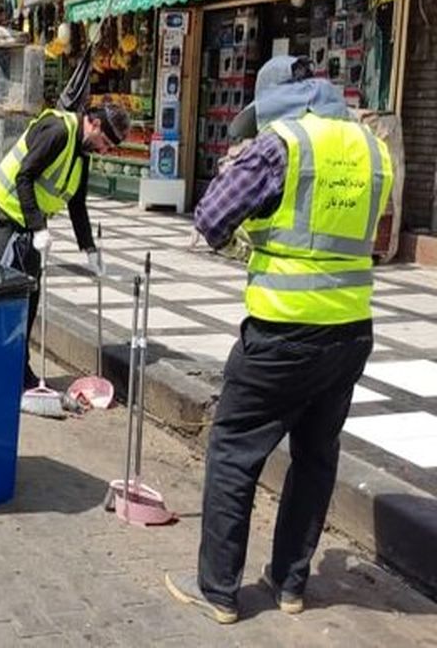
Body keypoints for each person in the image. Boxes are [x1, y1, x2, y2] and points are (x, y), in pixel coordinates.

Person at [164, 57, 393, 624]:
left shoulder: (280, 145)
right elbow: (379, 237)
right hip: (350, 332)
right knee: (316, 458)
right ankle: (290, 584)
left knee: (235, 451)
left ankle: (219, 590)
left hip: (281, 332)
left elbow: (211, 220)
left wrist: (245, 215)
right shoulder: (372, 149)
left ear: (278, 104)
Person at [0, 103, 130, 389]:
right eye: (105, 143)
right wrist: (39, 227)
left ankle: (18, 371)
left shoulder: (83, 152)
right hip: (4, 212)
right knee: (7, 297)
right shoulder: (59, 132)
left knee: (30, 296)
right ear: (95, 124)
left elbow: (77, 203)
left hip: (28, 219)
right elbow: (24, 176)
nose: (104, 150)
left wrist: (89, 249)